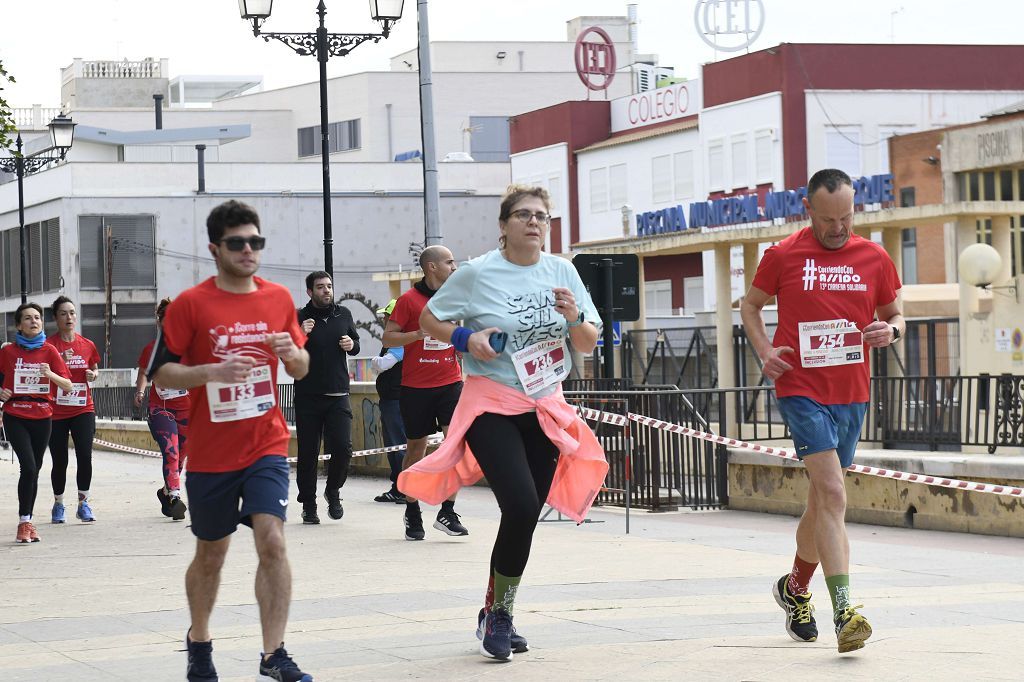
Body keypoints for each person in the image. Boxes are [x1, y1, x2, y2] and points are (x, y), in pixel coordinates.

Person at [398, 184, 608, 661]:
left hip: (544, 405)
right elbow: (431, 319)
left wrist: (575, 317)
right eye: (524, 215)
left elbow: (587, 341)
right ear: (503, 225)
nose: (534, 223)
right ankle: (501, 616)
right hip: (490, 403)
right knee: (518, 502)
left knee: (525, 513)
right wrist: (466, 338)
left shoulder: (563, 271)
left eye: (542, 216)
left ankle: (497, 609)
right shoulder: (476, 272)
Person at [148, 200, 314, 682]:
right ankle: (199, 643)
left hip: (266, 441)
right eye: (238, 243)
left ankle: (274, 654)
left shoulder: (279, 298)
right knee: (211, 553)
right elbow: (161, 370)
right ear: (214, 249)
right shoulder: (191, 304)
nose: (248, 250)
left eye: (255, 242)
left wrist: (292, 353)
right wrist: (211, 372)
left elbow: (300, 368)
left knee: (273, 541)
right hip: (211, 453)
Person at [740, 168, 904, 655]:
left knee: (820, 501)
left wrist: (890, 331)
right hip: (801, 388)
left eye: (847, 217)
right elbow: (750, 307)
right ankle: (846, 612)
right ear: (807, 209)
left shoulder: (873, 257)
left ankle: (794, 589)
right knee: (833, 492)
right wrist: (764, 350)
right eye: (829, 218)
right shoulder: (783, 255)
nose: (839, 228)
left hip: (852, 393)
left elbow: (896, 313)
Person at [383, 245, 468, 540]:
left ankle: (447, 510)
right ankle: (412, 511)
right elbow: (388, 336)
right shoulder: (407, 300)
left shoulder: (453, 298)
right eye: (449, 261)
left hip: (450, 383)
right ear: (432, 267)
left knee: (455, 445)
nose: (454, 266)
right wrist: (418, 334)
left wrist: (460, 347)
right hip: (416, 388)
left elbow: (457, 334)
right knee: (416, 450)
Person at [0, 303, 74, 543]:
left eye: (38, 318)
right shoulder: (7, 352)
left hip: (43, 416)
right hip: (16, 414)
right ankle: (23, 522)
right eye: (28, 318)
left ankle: (28, 519)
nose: (34, 321)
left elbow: (68, 385)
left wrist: (49, 375)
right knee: (29, 467)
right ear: (19, 324)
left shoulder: (50, 351)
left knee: (35, 471)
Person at [293, 271, 359, 524]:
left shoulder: (344, 314)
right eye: (320, 287)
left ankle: (333, 491)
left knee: (343, 449)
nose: (326, 291)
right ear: (310, 292)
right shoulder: (298, 317)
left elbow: (356, 343)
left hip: (338, 394)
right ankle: (309, 504)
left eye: (329, 286)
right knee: (308, 453)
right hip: (308, 397)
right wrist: (300, 334)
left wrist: (351, 346)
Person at [46, 296, 101, 524]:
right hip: (56, 411)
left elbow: (95, 367)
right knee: (60, 461)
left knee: (85, 457)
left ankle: (83, 503)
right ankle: (58, 504)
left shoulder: (87, 344)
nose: (69, 317)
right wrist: (59, 359)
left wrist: (93, 375)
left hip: (83, 408)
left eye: (72, 313)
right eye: (63, 314)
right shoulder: (48, 346)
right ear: (56, 318)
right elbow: (41, 374)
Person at [135, 298, 190, 521]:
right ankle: (175, 496)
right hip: (161, 408)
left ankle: (166, 492)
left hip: (188, 409)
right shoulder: (152, 349)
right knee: (171, 451)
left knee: (181, 456)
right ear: (160, 323)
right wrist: (140, 392)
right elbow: (143, 373)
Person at [370, 299, 406, 503]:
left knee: (398, 444)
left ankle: (403, 489)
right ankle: (398, 487)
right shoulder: (396, 339)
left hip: (395, 400)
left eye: (387, 316)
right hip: (392, 399)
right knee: (394, 445)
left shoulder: (398, 340)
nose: (384, 319)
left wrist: (374, 361)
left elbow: (383, 364)